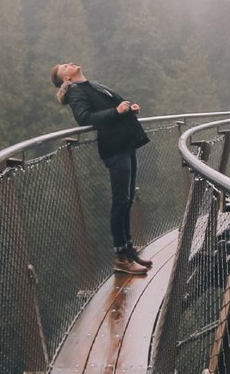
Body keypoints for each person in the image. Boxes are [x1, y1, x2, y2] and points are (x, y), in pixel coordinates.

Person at [51, 62, 154, 276]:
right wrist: (116, 111)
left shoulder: (91, 86)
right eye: (65, 67)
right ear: (67, 79)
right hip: (115, 149)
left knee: (126, 200)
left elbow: (108, 112)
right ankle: (120, 257)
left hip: (124, 144)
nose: (69, 63)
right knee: (119, 202)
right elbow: (85, 118)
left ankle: (128, 250)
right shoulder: (77, 92)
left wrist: (127, 110)